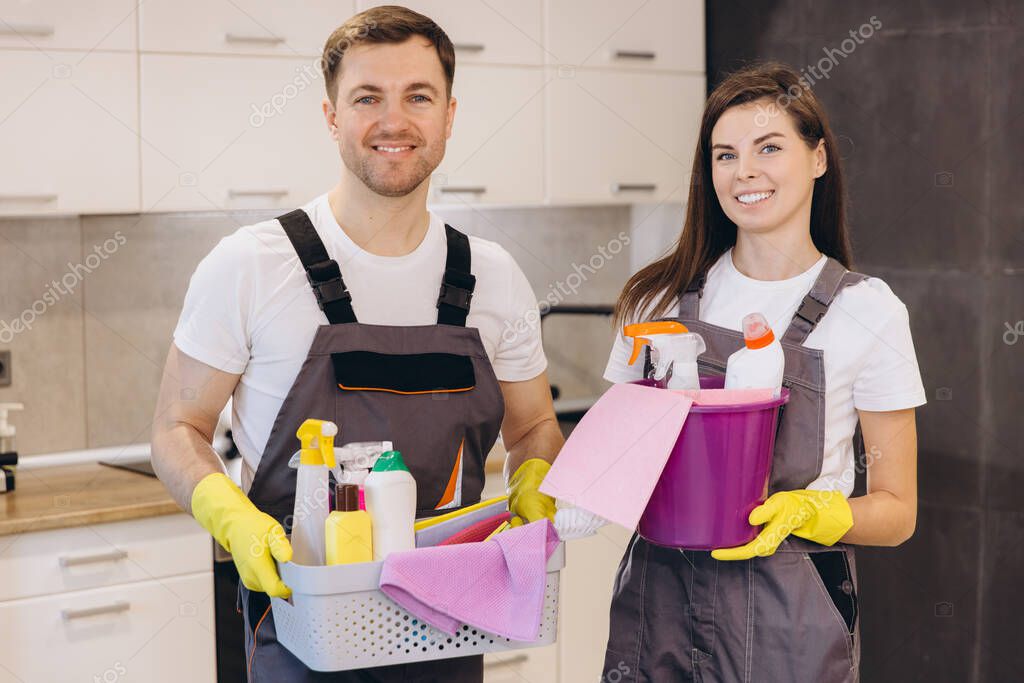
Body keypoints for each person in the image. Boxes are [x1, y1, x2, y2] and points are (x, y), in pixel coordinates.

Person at [150, 6, 562, 681]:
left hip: (446, 629)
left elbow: (537, 424)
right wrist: (229, 515)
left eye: (418, 97)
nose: (393, 121)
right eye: (368, 97)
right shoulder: (251, 264)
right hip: (297, 623)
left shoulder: (493, 277)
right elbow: (175, 427)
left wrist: (538, 479)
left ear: (449, 116)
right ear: (331, 116)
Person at [600, 62, 926, 682]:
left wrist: (815, 513)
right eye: (725, 155)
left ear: (818, 158)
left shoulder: (868, 311)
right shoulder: (657, 300)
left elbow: (897, 511)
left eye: (768, 147)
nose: (744, 170)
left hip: (788, 614)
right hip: (657, 600)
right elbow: (611, 454)